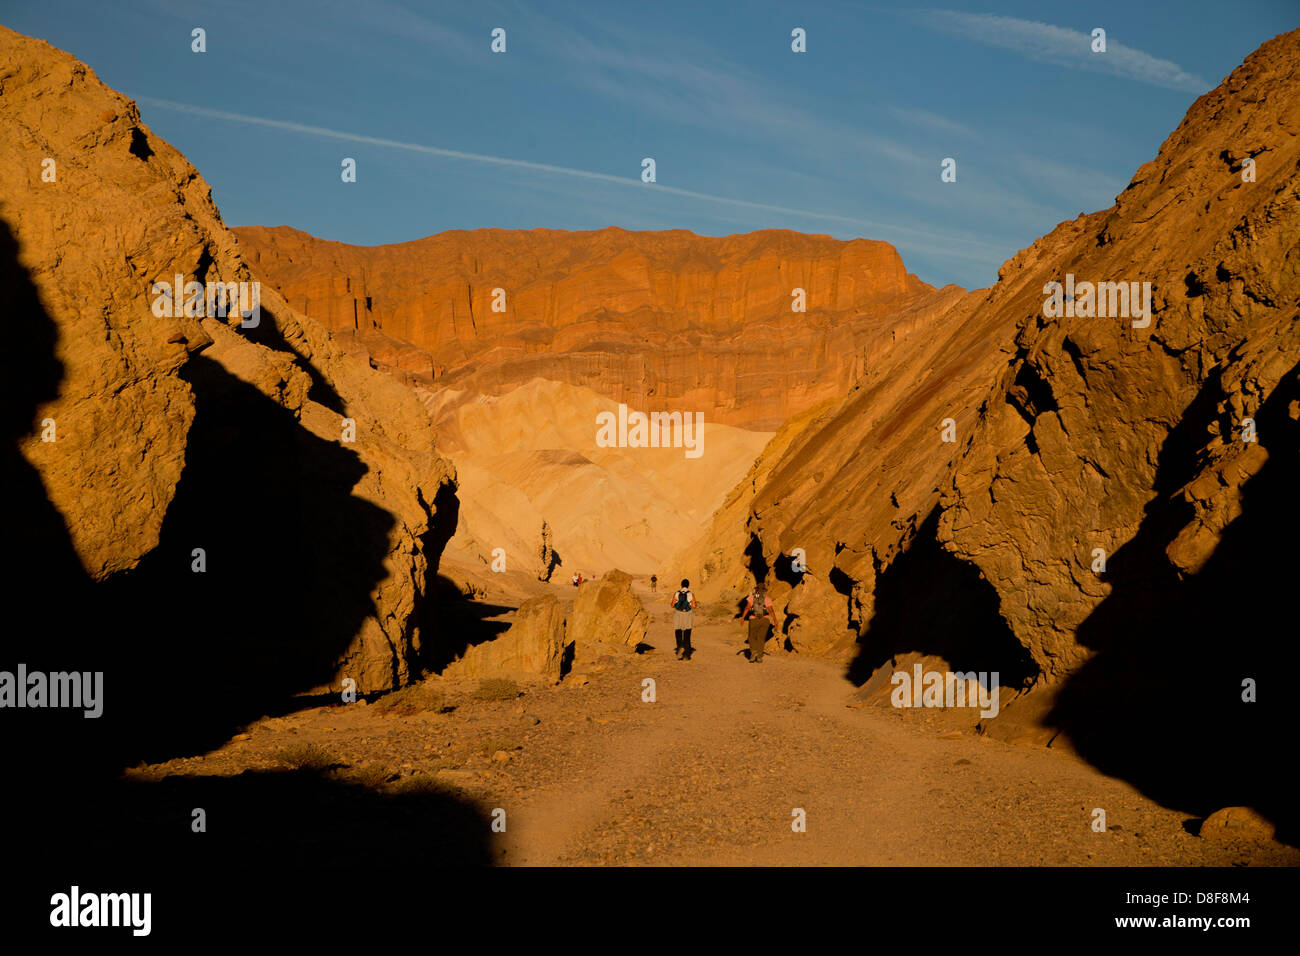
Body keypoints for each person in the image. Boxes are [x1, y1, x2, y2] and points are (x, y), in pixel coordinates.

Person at [740, 579, 778, 663]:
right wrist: (775, 620)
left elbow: (747, 607)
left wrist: (743, 617)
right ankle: (759, 657)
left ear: (756, 589)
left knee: (751, 637)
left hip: (754, 619)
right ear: (764, 590)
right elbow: (771, 610)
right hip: (765, 620)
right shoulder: (767, 598)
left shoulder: (751, 597)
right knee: (761, 638)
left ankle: (753, 651)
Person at [671, 578, 697, 660]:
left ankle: (679, 648)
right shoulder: (691, 594)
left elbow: (672, 605)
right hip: (687, 615)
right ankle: (687, 654)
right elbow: (694, 606)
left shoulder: (677, 593)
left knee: (678, 632)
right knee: (687, 634)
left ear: (681, 585)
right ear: (688, 585)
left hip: (678, 614)